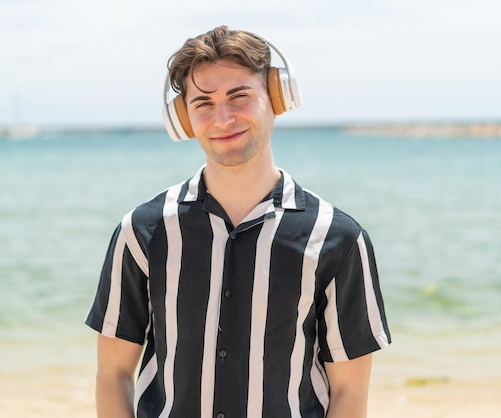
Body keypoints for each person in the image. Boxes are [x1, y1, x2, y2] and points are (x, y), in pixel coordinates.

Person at [85, 25, 391, 418]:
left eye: (239, 96)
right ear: (184, 117)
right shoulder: (141, 232)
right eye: (203, 104)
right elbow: (113, 374)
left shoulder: (339, 239)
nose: (222, 118)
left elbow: (349, 394)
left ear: (277, 96)